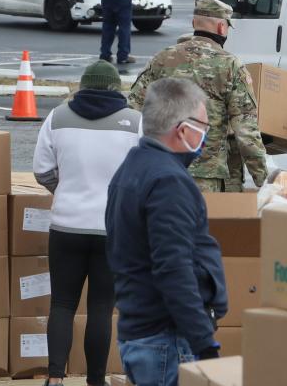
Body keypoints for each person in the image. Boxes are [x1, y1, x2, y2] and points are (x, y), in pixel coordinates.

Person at [106, 77, 227, 386]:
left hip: (145, 331)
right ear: (183, 129)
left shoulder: (132, 168)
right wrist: (204, 343)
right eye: (203, 126)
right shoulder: (168, 182)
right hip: (168, 339)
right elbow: (173, 267)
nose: (206, 134)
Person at [33, 61, 141, 386]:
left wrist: (63, 190)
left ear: (82, 86)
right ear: (114, 87)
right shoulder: (135, 123)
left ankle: (55, 377)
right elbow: (143, 175)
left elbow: (42, 170)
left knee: (62, 303)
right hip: (112, 230)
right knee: (101, 307)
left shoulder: (58, 117)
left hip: (66, 225)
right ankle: (95, 381)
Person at [127, 0, 268, 192]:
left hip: (161, 169)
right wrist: (262, 178)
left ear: (194, 23)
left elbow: (133, 109)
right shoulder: (231, 65)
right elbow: (245, 129)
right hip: (207, 177)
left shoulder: (162, 58)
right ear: (221, 28)